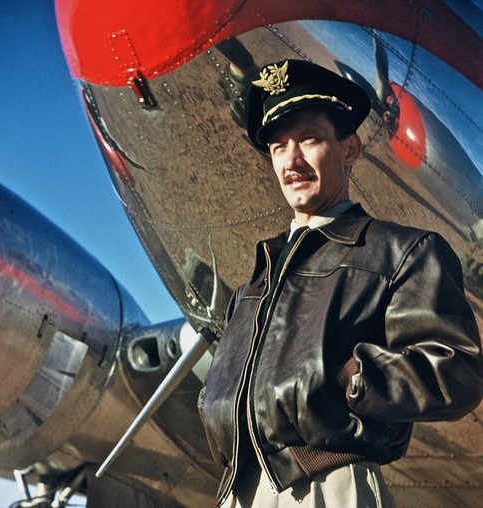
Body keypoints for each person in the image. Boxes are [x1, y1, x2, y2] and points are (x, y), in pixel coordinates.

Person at [198, 59, 483, 507]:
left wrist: (350, 377)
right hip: (238, 491)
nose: (291, 161)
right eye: (278, 146)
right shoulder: (252, 286)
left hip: (328, 486)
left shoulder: (402, 251)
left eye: (309, 139)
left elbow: (455, 368)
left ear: (350, 149)